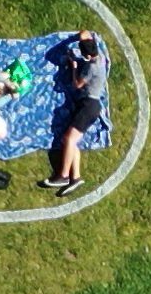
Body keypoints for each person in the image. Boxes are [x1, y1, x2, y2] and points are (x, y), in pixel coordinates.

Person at [41, 30, 105, 197]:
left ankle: (62, 176)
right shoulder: (101, 56)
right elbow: (85, 33)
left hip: (89, 106)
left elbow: (77, 85)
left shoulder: (91, 67)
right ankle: (75, 177)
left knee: (68, 139)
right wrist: (80, 38)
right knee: (71, 141)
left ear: (88, 56)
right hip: (89, 105)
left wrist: (75, 67)